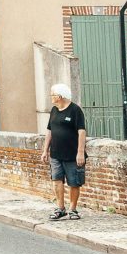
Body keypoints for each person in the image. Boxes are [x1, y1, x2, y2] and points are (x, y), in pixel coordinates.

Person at [41, 83, 87, 221]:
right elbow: (49, 131)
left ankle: (73, 209)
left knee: (74, 182)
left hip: (72, 154)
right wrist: (45, 150)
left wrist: (80, 152)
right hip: (56, 153)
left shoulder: (75, 110)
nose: (51, 97)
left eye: (52, 95)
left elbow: (82, 132)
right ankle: (60, 208)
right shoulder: (54, 110)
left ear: (60, 96)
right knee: (56, 180)